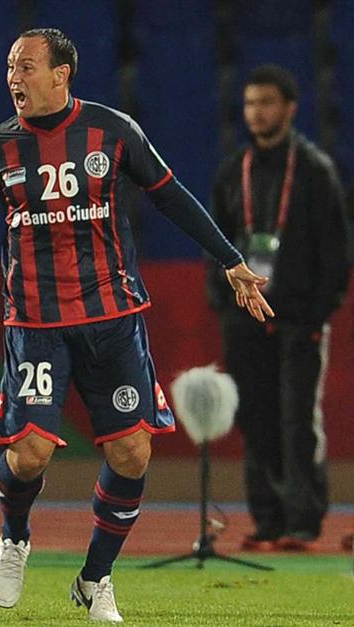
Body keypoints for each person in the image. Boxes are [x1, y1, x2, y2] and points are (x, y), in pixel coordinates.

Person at [0, 29, 273, 623]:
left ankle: (95, 579)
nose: (13, 78)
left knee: (132, 452)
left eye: (26, 66)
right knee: (29, 456)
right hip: (37, 324)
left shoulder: (113, 131)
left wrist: (230, 260)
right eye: (9, 67)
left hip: (113, 318)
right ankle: (15, 535)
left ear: (61, 74)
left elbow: (171, 197)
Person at [207, 64, 348, 552]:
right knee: (256, 417)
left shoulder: (314, 171)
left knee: (296, 418)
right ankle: (267, 519)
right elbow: (215, 243)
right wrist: (224, 307)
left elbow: (335, 251)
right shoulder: (233, 171)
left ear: (289, 108)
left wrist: (316, 313)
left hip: (297, 318)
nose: (256, 112)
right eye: (249, 104)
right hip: (244, 317)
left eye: (266, 103)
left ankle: (303, 521)